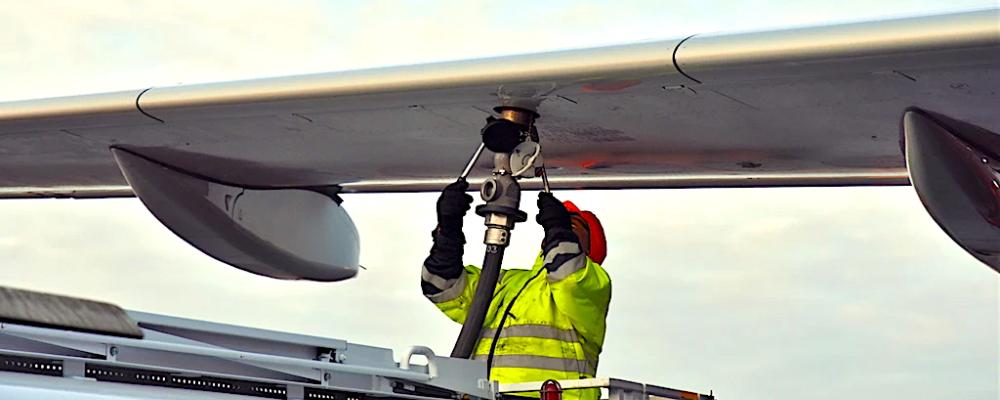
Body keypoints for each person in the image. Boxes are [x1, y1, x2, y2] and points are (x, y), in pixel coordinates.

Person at [421, 180, 611, 400]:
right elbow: (441, 286)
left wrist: (559, 230)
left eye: (573, 226)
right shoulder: (509, 281)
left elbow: (568, 276)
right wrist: (448, 231)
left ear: (590, 246)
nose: (563, 229)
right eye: (563, 225)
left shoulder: (595, 283)